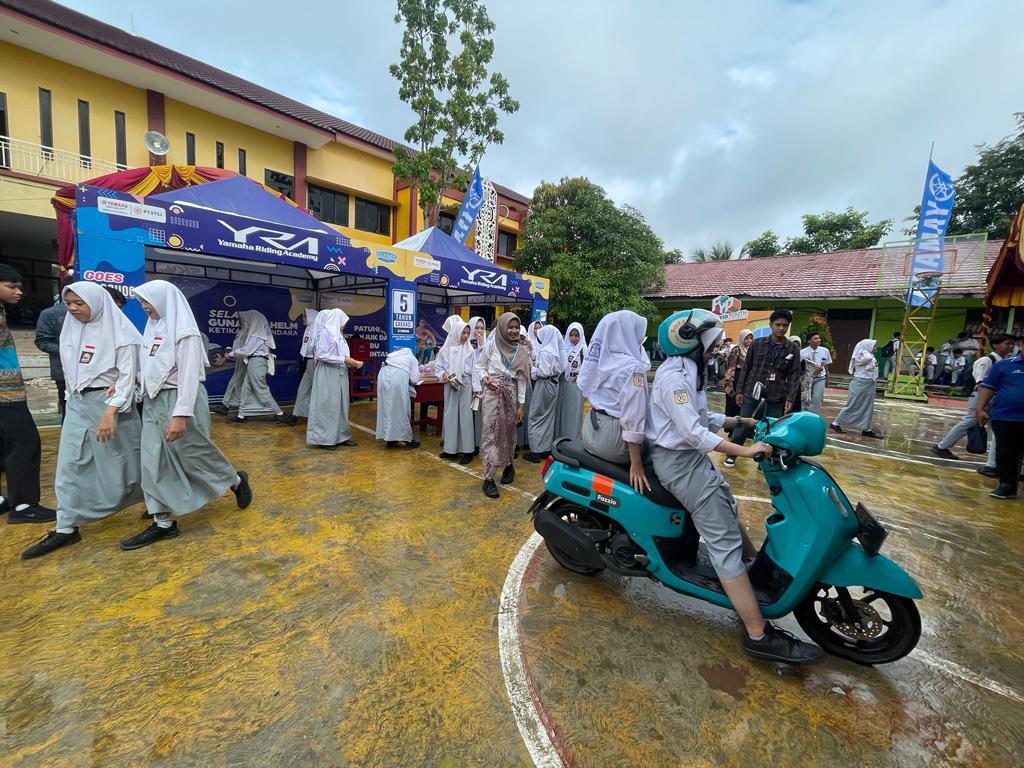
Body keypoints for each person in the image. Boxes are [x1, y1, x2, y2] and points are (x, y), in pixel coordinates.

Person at [647, 308, 823, 664]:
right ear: (694, 344)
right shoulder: (673, 378)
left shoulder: (688, 370)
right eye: (712, 344)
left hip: (690, 459)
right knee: (723, 541)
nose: (716, 349)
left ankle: (748, 570)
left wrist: (737, 419)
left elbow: (699, 416)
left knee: (728, 506)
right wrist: (745, 450)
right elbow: (692, 432)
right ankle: (759, 634)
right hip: (679, 463)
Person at [119, 280, 252, 549]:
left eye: (148, 301)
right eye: (142, 302)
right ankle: (162, 521)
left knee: (193, 455)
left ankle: (235, 481)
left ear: (164, 301)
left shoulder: (185, 332)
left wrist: (181, 415)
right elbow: (147, 367)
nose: (144, 307)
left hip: (180, 400)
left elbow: (190, 376)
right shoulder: (152, 328)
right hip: (154, 402)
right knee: (152, 459)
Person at [21, 283, 145, 558]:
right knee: (70, 465)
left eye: (80, 303)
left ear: (97, 302)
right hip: (77, 403)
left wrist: (110, 412)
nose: (74, 309)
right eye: (69, 303)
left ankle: (158, 500)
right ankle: (66, 527)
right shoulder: (71, 329)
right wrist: (71, 397)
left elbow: (128, 376)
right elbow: (72, 368)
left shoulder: (121, 333)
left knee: (128, 462)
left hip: (109, 404)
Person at [0, 265, 55, 524]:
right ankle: (23, 506)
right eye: (11, 286)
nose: (18, 292)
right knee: (25, 444)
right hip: (5, 396)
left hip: (8, 393)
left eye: (19, 286)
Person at [577, 310, 651, 492]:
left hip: (590, 431)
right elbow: (633, 419)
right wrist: (636, 464)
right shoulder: (633, 367)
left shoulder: (601, 359)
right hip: (614, 441)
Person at [726, 310, 801, 467]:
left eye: (785, 325)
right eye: (777, 325)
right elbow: (746, 368)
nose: (781, 328)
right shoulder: (757, 343)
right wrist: (739, 391)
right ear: (770, 325)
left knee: (770, 429)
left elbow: (794, 376)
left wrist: (790, 398)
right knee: (743, 424)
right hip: (751, 392)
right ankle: (732, 454)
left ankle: (764, 462)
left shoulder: (792, 349)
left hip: (776, 396)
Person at [931, 333, 1013, 464]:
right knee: (970, 422)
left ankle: (995, 461)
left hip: (994, 398)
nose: (1011, 347)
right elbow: (981, 383)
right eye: (1007, 344)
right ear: (996, 345)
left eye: (1012, 344)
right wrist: (983, 405)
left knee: (998, 427)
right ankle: (941, 446)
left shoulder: (1004, 362)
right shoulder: (986, 361)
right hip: (982, 397)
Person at [476, 312, 531, 498]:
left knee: (508, 432)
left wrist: (521, 405)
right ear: (502, 328)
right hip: (492, 395)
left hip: (511, 394)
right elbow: (480, 366)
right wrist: (485, 379)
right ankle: (488, 478)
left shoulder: (522, 352)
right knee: (490, 434)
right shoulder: (492, 346)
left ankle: (509, 466)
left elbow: (522, 380)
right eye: (510, 327)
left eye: (516, 327)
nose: (514, 330)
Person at [223, 309, 296, 425]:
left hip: (256, 362)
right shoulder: (257, 334)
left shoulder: (257, 335)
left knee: (260, 388)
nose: (243, 322)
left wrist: (231, 354)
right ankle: (242, 415)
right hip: (254, 362)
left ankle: (280, 414)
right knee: (246, 388)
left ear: (253, 320)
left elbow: (247, 350)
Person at [306, 308, 362, 450]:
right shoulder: (326, 333)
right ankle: (325, 439)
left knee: (340, 405)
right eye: (343, 322)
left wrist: (352, 362)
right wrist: (344, 359)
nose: (344, 325)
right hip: (328, 372)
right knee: (328, 405)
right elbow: (323, 355)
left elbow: (341, 355)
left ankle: (341, 436)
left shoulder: (338, 335)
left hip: (339, 372)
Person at [976, 348, 1024, 499]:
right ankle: (1006, 486)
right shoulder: (1003, 365)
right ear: (1022, 345)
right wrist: (980, 408)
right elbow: (988, 387)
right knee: (1005, 452)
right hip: (1005, 417)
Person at [434, 315, 475, 464]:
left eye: (467, 333)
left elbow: (474, 371)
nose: (465, 336)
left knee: (465, 416)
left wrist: (476, 389)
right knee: (450, 415)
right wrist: (443, 374)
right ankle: (450, 449)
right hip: (450, 383)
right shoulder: (445, 350)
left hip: (465, 383)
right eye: (463, 333)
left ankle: (467, 451)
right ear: (456, 332)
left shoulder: (470, 350)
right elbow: (438, 368)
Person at [525, 324, 566, 462]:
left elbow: (542, 372)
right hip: (554, 384)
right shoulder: (556, 351)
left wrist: (532, 370)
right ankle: (545, 449)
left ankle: (535, 451)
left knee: (535, 416)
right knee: (548, 416)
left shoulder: (545, 351)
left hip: (544, 385)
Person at [830, 339, 883, 438]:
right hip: (861, 383)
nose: (875, 348)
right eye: (874, 346)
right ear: (867, 347)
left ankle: (866, 429)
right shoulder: (861, 356)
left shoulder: (870, 356)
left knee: (868, 406)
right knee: (853, 404)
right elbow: (866, 359)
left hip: (870, 383)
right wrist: (864, 350)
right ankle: (836, 423)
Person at [375, 345, 422, 449]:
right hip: (398, 378)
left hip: (382, 375)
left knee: (387, 409)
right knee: (401, 409)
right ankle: (408, 440)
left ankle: (390, 438)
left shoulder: (392, 355)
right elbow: (414, 379)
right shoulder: (412, 358)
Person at [34, 295, 67, 421]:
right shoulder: (51, 314)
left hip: (98, 374)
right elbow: (42, 342)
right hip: (64, 371)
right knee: (69, 409)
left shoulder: (99, 313)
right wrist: (70, 351)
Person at [557, 322, 587, 440]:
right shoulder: (563, 348)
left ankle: (572, 438)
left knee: (573, 413)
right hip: (563, 384)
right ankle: (561, 437)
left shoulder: (584, 350)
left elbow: (587, 370)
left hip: (575, 386)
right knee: (563, 412)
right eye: (571, 335)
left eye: (576, 335)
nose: (574, 338)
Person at [292, 308, 319, 419]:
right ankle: (297, 414)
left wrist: (315, 356)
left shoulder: (317, 328)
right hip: (307, 362)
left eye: (305, 316)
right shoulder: (308, 328)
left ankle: (318, 416)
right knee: (303, 389)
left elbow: (318, 344)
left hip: (314, 362)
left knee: (317, 390)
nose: (303, 318)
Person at [722, 329, 752, 421]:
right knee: (733, 403)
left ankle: (740, 426)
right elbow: (731, 367)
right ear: (742, 338)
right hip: (736, 379)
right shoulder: (736, 349)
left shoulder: (750, 350)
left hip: (746, 380)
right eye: (746, 338)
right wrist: (729, 383)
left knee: (742, 404)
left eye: (751, 338)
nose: (749, 341)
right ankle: (731, 428)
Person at [800, 332, 832, 415]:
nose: (818, 340)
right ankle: (804, 415)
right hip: (807, 379)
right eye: (815, 338)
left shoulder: (825, 351)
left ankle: (814, 417)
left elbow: (826, 365)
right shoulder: (803, 352)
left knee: (817, 398)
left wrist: (827, 378)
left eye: (819, 338)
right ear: (809, 341)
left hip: (820, 378)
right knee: (805, 398)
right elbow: (801, 367)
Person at [468, 315, 487, 453]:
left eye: (482, 328)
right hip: (467, 384)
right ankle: (470, 444)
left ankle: (480, 444)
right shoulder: (465, 343)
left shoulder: (486, 345)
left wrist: (481, 346)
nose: (479, 331)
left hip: (482, 386)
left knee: (480, 416)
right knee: (469, 417)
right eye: (477, 327)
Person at [788, 334, 804, 413]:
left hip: (796, 385)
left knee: (795, 406)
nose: (795, 347)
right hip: (784, 384)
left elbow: (803, 371)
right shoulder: (784, 355)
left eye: (798, 345)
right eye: (793, 345)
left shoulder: (801, 358)